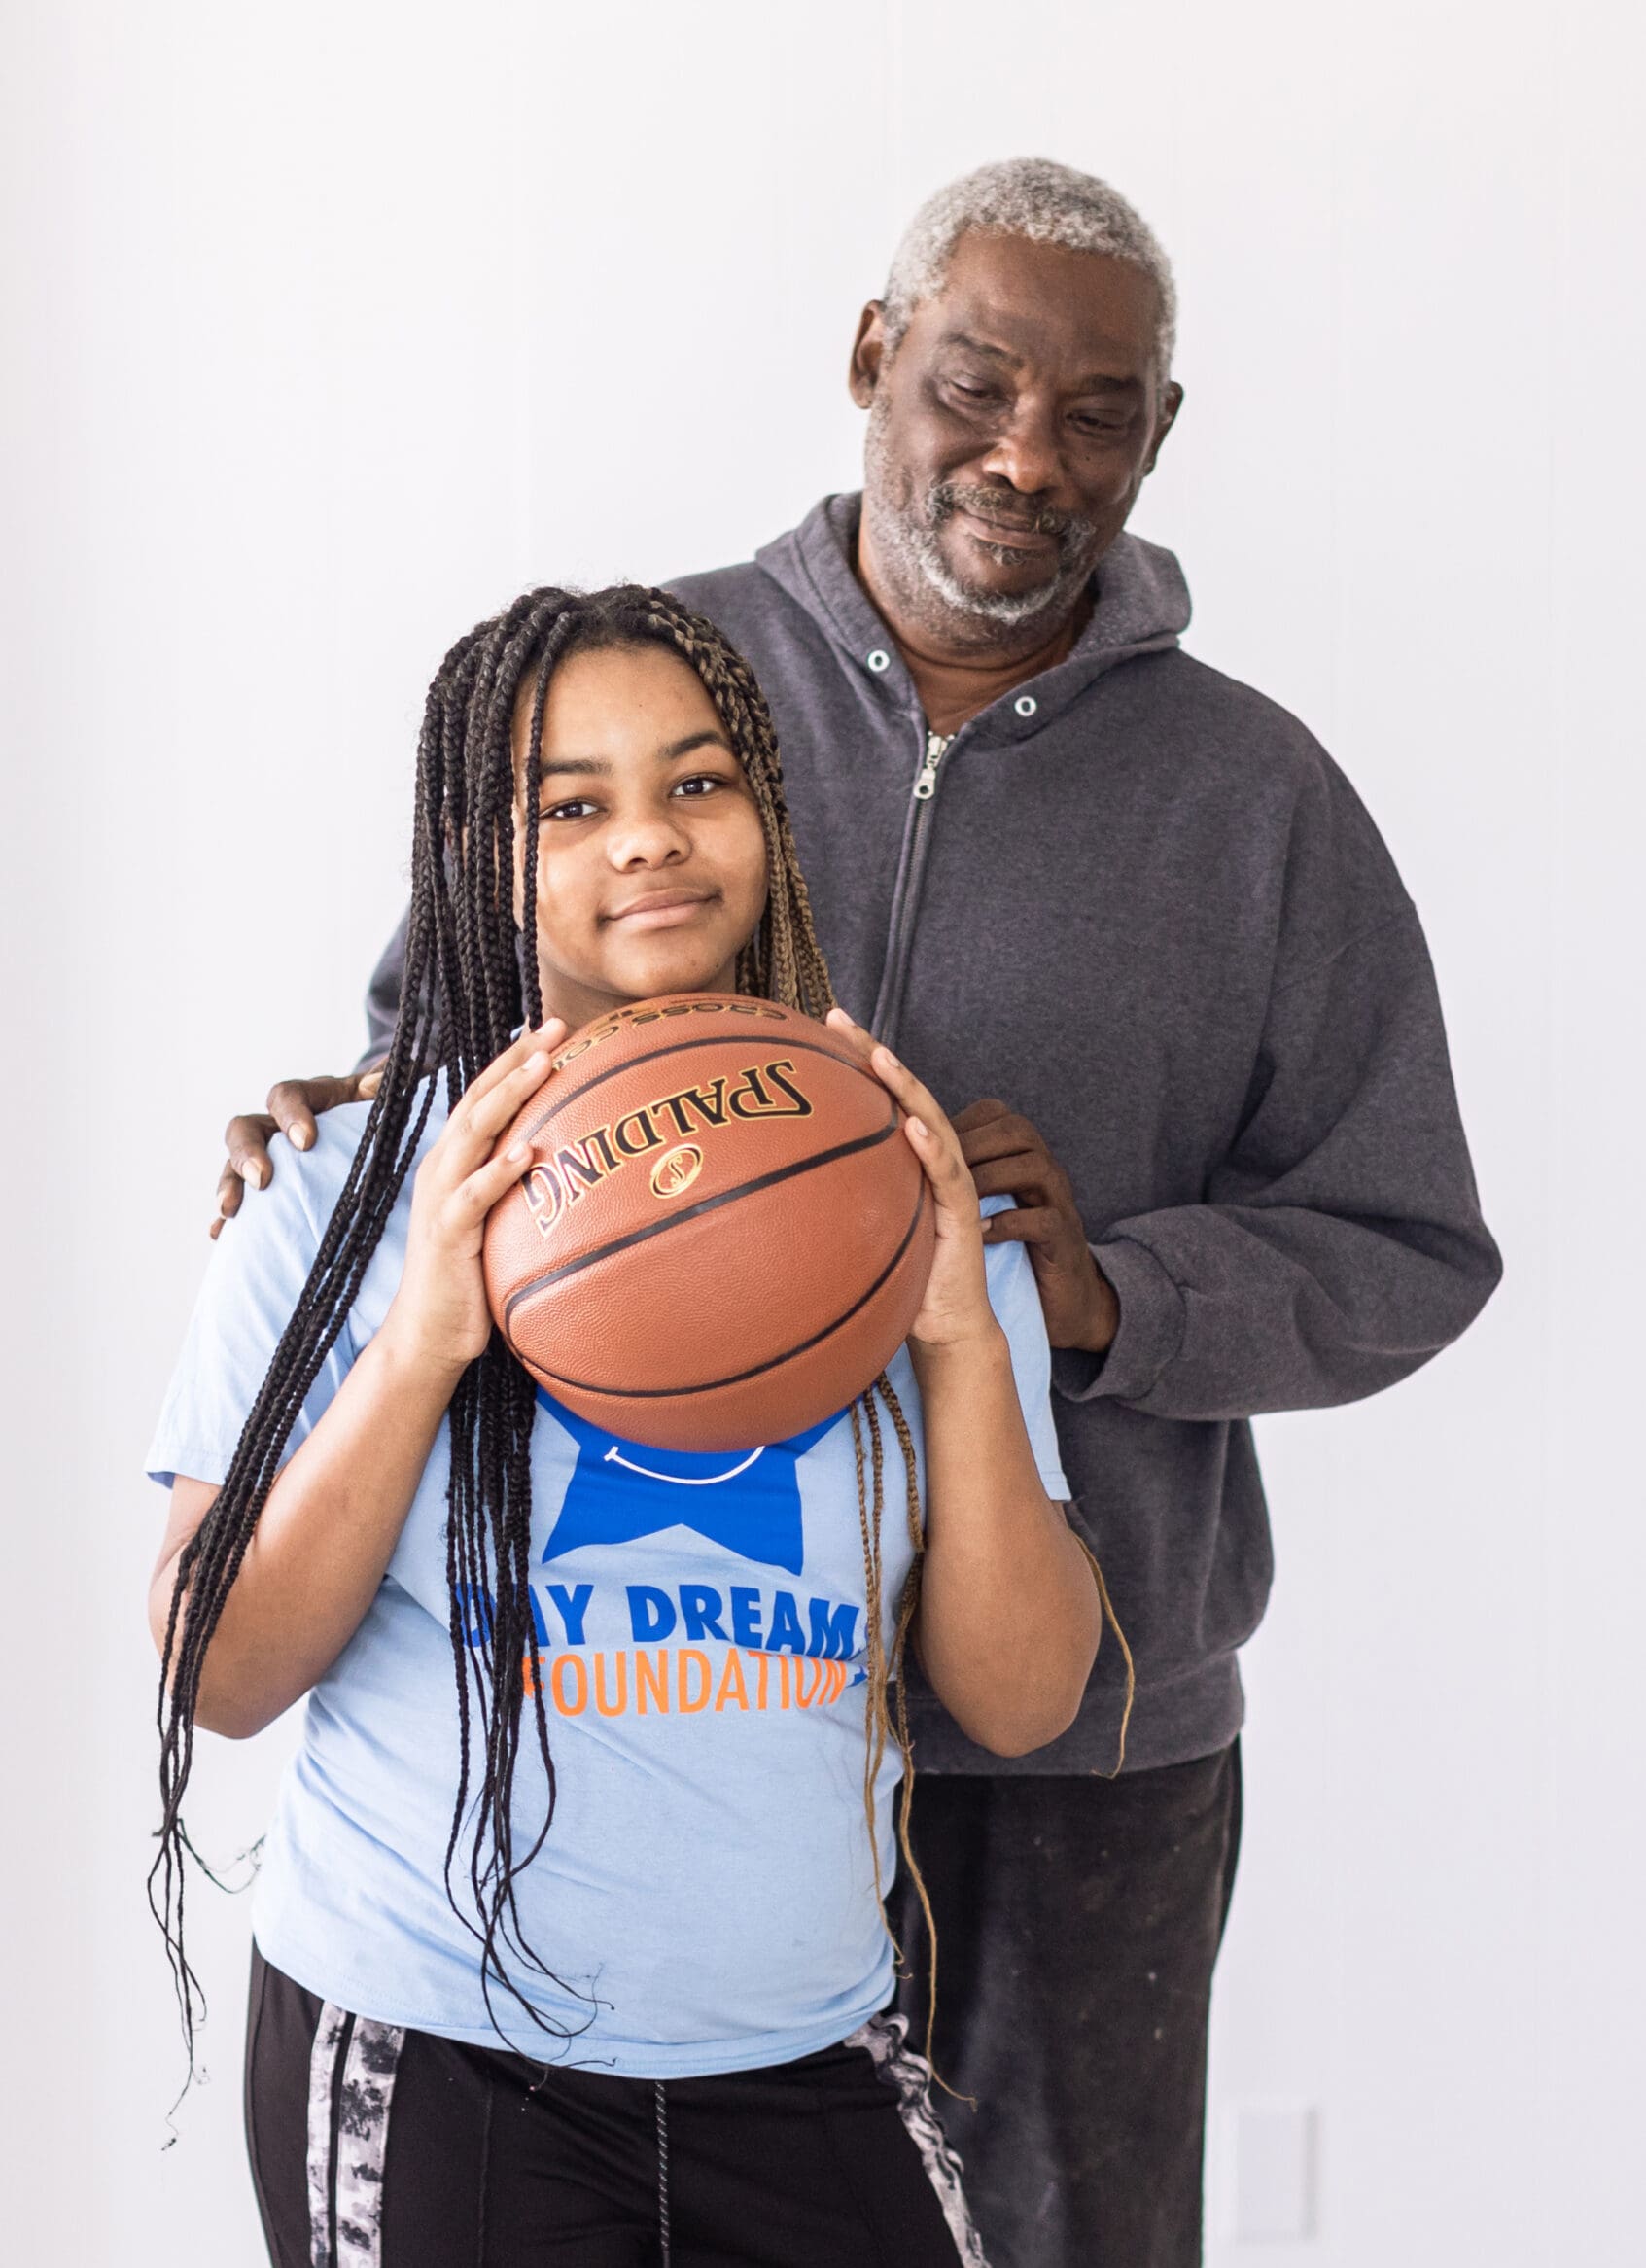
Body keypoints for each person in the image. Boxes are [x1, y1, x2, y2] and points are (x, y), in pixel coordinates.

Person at [217, 160, 1502, 2265]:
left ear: (1158, 436)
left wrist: (1112, 1300)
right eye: (976, 382)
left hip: (1066, 1735)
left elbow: (1410, 1247)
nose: (1027, 453)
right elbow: (446, 1030)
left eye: (1098, 410)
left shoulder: (1257, 799)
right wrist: (327, 1122)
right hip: (641, 1713)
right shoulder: (653, 686)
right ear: (871, 361)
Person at [150, 585, 1108, 2268]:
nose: (648, 843)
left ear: (768, 814)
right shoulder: (331, 1200)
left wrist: (958, 1326)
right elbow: (212, 1676)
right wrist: (427, 1343)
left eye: (697, 782)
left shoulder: (894, 1196)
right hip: (436, 2050)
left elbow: (1025, 1697)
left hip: (805, 2044)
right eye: (570, 807)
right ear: (472, 859)